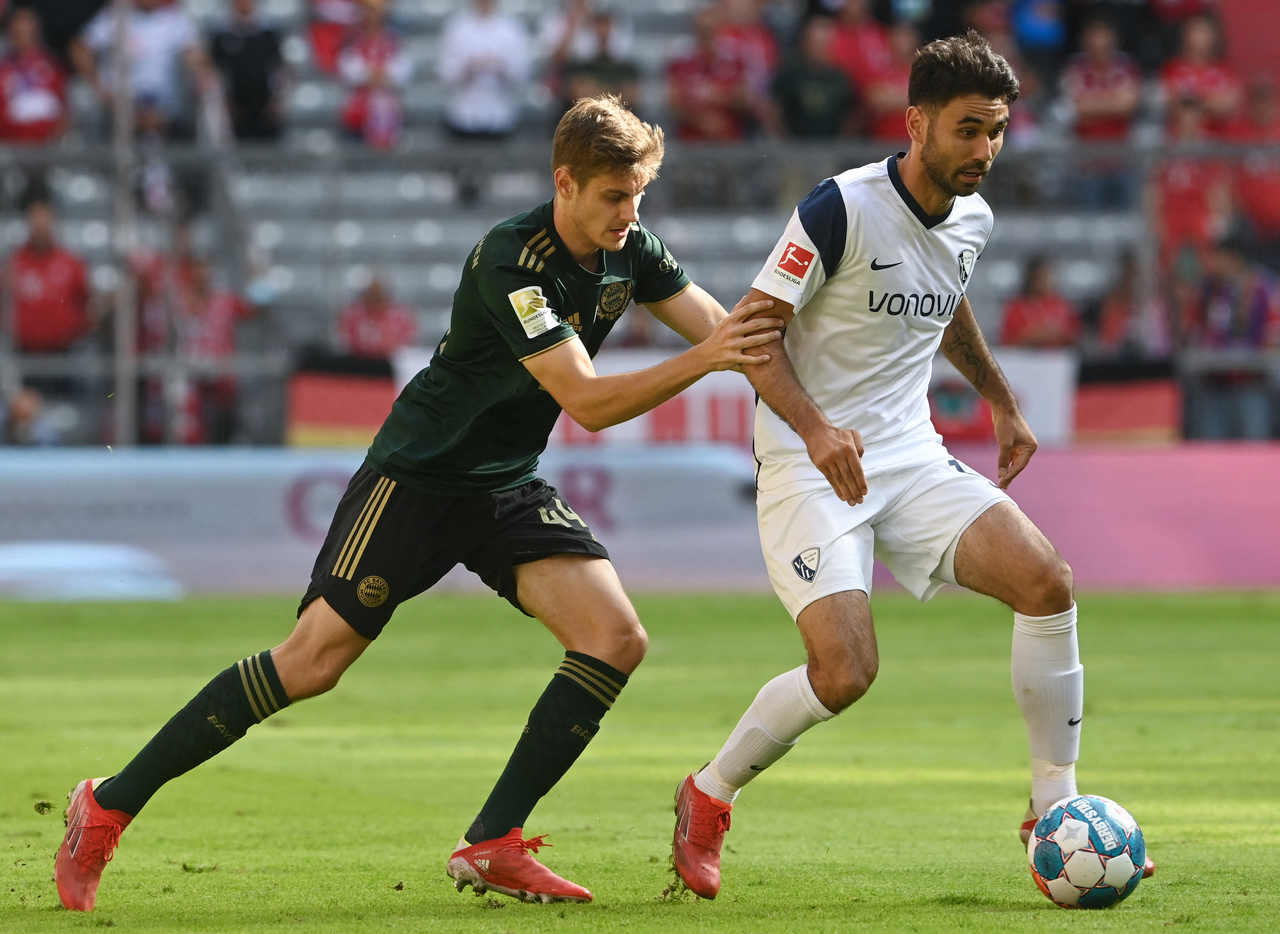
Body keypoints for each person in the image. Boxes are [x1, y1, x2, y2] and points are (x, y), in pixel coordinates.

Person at [53, 93, 782, 911]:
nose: (629, 213)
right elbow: (587, 401)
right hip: (417, 478)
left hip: (502, 481)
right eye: (614, 196)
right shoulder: (513, 259)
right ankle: (106, 805)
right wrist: (713, 356)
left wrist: (810, 408)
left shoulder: (631, 249)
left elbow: (720, 327)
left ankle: (492, 841)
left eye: (638, 195)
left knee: (614, 638)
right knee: (310, 665)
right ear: (565, 182)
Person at [668, 30, 1155, 900]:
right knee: (845, 674)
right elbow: (750, 334)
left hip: (908, 456)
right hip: (809, 465)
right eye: (968, 130)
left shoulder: (974, 216)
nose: (985, 151)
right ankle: (708, 794)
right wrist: (817, 430)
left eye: (997, 131)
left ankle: (1055, 806)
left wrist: (1001, 400)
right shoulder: (839, 208)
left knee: (1047, 583)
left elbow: (947, 294)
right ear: (916, 122)